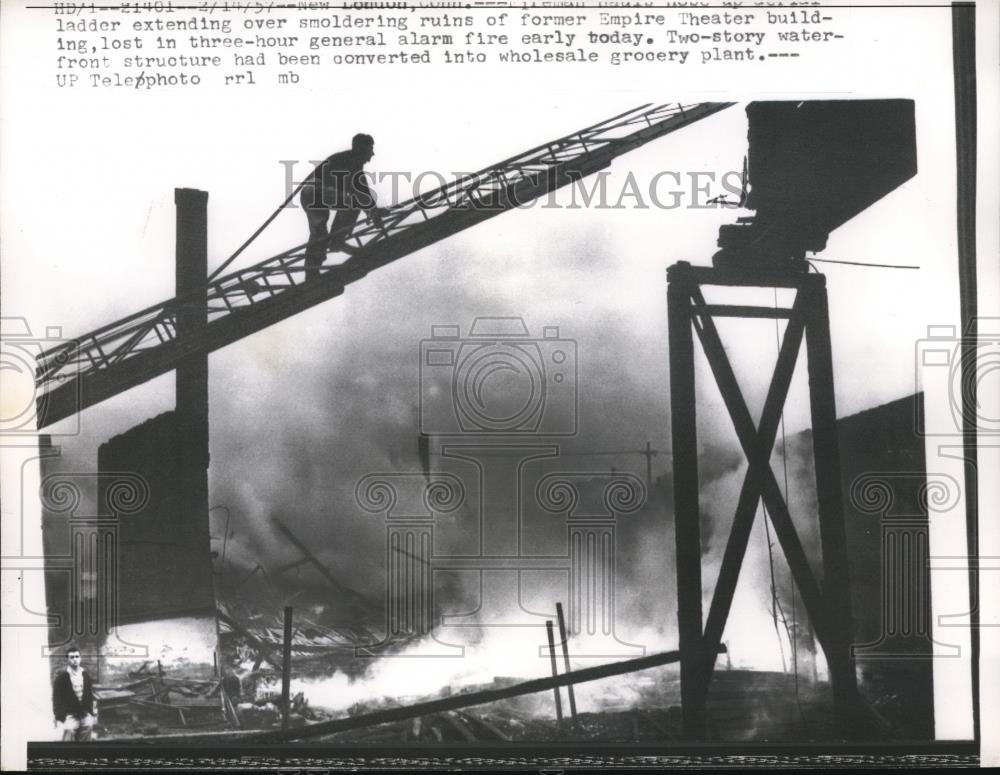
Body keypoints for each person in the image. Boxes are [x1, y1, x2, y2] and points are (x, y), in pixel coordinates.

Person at [300, 133, 387, 281]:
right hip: (316, 191)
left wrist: (373, 211)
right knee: (352, 204)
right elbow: (361, 192)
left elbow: (362, 191)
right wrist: (373, 213)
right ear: (360, 148)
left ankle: (311, 272)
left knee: (319, 232)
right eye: (370, 149)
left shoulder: (347, 161)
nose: (372, 154)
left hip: (309, 193)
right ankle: (337, 241)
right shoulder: (350, 162)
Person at [52, 646, 98, 741]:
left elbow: (89, 695)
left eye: (77, 657)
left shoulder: (85, 675)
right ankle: (68, 754)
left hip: (84, 713)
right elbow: (56, 700)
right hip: (70, 714)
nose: (75, 660)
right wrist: (61, 716)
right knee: (70, 729)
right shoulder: (61, 678)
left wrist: (90, 713)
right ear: (67, 660)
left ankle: (83, 754)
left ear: (80, 658)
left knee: (89, 725)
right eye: (72, 657)